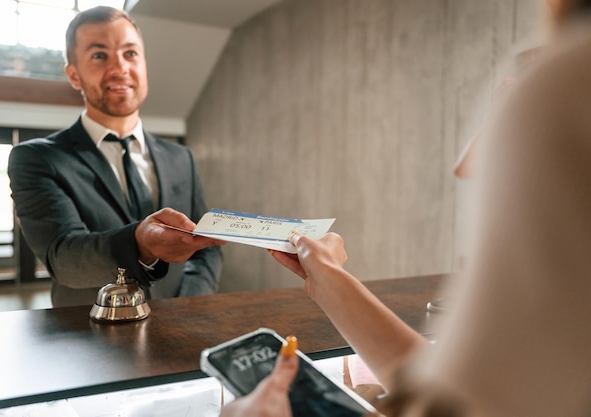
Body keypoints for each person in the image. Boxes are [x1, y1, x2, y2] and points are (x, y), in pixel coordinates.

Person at [220, 0, 591, 415]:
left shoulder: (572, 78)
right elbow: (446, 392)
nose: (463, 168)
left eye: (505, 120)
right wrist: (326, 279)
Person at [8, 6, 225, 307]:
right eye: (99, 55)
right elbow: (63, 257)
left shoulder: (181, 158)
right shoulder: (36, 158)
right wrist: (139, 243)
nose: (120, 67)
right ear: (74, 75)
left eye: (130, 54)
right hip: (88, 336)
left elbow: (206, 249)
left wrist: (186, 308)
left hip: (179, 328)